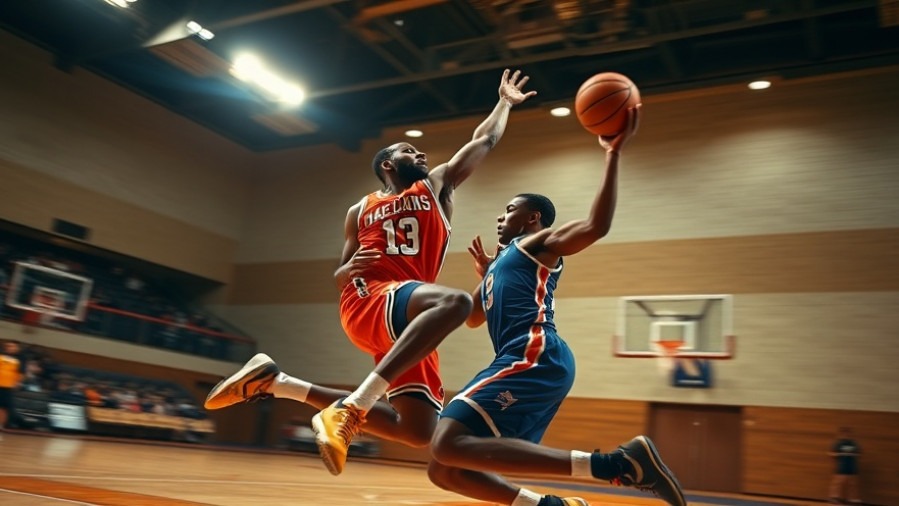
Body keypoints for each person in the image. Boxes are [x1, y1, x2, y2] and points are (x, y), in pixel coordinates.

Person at [204, 69, 536, 475]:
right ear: (387, 165)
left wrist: (503, 102)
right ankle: (353, 406)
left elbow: (483, 140)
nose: (422, 156)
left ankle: (274, 382)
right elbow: (339, 274)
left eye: (421, 153)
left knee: (418, 431)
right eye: (409, 152)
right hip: (367, 299)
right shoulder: (358, 210)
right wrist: (347, 269)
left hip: (408, 314)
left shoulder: (435, 186)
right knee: (454, 301)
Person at [425, 107, 684, 506]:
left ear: (533, 219)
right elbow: (475, 319)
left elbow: (597, 226)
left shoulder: (536, 244)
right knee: (445, 468)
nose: (501, 214)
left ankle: (617, 464)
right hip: (521, 357)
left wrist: (612, 155)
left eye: (510, 209)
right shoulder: (503, 261)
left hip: (535, 353)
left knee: (446, 441)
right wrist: (486, 275)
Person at [829, 426, 861, 504]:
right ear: (841, 434)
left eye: (847, 433)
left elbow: (859, 453)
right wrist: (838, 454)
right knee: (838, 483)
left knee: (852, 484)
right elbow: (831, 453)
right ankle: (835, 497)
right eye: (844, 433)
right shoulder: (838, 444)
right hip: (841, 467)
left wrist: (853, 454)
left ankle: (852, 499)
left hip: (852, 467)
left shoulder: (854, 444)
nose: (846, 435)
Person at [0, 340, 23, 432]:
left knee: (4, 408)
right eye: (8, 346)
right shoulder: (1, 357)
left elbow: (20, 373)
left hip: (8, 387)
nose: (10, 348)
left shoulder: (18, 361)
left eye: (12, 346)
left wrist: (17, 383)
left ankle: (1, 425)